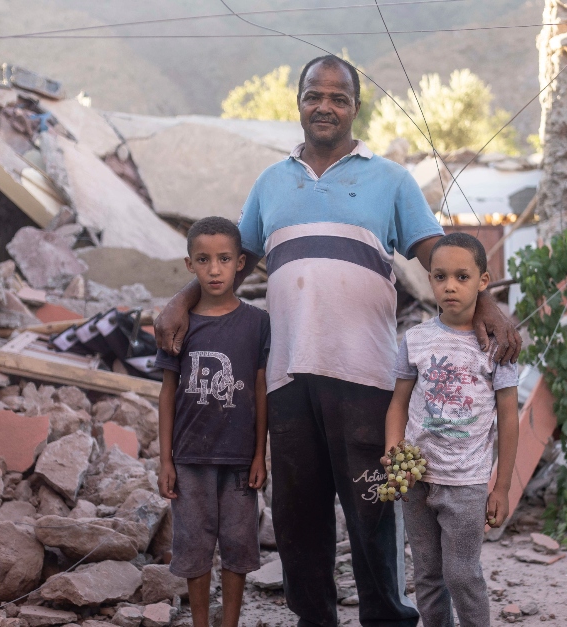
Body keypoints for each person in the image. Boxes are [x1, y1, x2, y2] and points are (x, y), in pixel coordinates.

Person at [154, 54, 520, 627]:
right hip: (289, 377)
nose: (325, 106)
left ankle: (385, 618)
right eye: (313, 96)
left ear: (355, 107)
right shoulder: (271, 182)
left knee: (372, 511)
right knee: (299, 520)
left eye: (339, 97)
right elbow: (231, 260)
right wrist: (180, 300)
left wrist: (489, 308)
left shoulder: (391, 180)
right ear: (297, 102)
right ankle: (314, 619)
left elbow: (439, 259)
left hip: (367, 377)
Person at [384, 232, 519, 627]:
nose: (450, 286)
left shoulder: (496, 347)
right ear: (430, 280)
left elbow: (508, 417)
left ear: (483, 280)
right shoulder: (416, 340)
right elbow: (398, 403)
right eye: (440, 276)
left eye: (462, 276)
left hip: (467, 482)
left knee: (461, 573)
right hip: (416, 478)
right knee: (427, 575)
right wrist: (395, 452)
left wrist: (503, 486)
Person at [154, 217, 271, 627]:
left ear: (241, 263)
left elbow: (260, 389)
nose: (215, 269)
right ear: (190, 265)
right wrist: (165, 459)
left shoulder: (257, 322)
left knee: (238, 544)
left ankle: (231, 622)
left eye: (224, 259)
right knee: (193, 544)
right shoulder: (180, 325)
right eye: (204, 260)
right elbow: (168, 392)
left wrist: (260, 454)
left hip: (240, 458)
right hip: (189, 457)